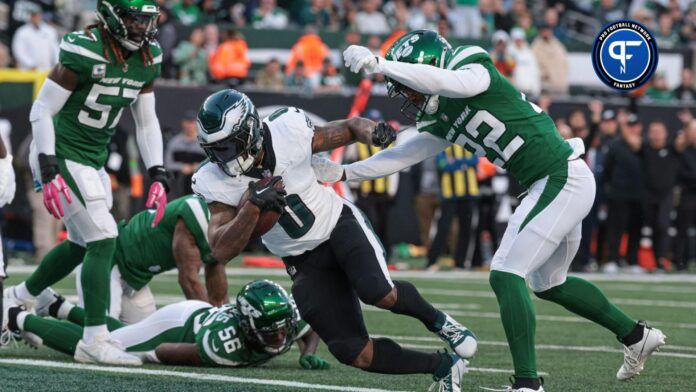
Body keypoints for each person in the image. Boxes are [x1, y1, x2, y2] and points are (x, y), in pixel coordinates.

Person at [315, 29, 665, 391]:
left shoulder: (470, 63)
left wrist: (380, 64)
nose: (406, 94)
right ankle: (636, 335)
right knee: (547, 283)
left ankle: (528, 384)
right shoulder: (440, 115)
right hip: (554, 181)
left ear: (426, 65)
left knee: (504, 273)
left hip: (560, 176)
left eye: (406, 83)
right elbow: (405, 153)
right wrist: (346, 171)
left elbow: (459, 85)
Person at [192, 89, 475, 391]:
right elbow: (220, 249)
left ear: (249, 131)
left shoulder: (288, 130)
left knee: (379, 292)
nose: (222, 158)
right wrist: (252, 207)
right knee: (353, 352)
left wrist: (372, 132)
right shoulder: (212, 180)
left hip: (336, 225)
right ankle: (444, 366)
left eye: (227, 146)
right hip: (302, 261)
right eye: (215, 150)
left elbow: (351, 127)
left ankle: (442, 323)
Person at [3, 0, 170, 366]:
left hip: (92, 157)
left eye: (147, 20)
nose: (142, 28)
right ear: (112, 16)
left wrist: (157, 170)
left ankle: (19, 296)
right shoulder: (84, 48)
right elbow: (41, 110)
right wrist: (47, 169)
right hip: (59, 152)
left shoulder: (148, 56)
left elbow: (146, 121)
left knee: (82, 243)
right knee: (103, 238)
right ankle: (94, 339)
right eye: (134, 19)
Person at [3, 280, 330, 370]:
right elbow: (165, 350)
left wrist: (307, 352)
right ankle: (16, 317)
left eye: (281, 329)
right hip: (180, 326)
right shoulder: (226, 348)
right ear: (247, 326)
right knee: (106, 345)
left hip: (199, 314)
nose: (278, 337)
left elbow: (307, 327)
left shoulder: (282, 318)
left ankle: (58, 306)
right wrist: (145, 358)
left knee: (118, 334)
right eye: (270, 331)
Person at [72, 194, 224, 324]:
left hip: (135, 279)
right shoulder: (195, 212)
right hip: (110, 262)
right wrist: (209, 323)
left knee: (146, 338)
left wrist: (225, 318)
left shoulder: (220, 218)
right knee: (100, 331)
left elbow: (217, 283)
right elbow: (189, 280)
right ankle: (56, 308)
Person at [426, 146, 479, 270]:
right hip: (449, 194)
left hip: (468, 193)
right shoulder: (445, 144)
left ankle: (460, 263)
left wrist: (455, 162)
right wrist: (464, 163)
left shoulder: (470, 144)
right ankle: (431, 261)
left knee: (466, 229)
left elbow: (475, 161)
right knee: (443, 227)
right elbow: (443, 164)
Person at [165, 111, 207, 197]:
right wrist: (181, 167)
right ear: (183, 123)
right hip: (178, 186)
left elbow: (212, 161)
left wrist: (199, 166)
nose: (189, 126)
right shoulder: (174, 143)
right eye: (187, 122)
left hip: (201, 186)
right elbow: (168, 164)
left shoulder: (204, 143)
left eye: (192, 122)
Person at [10, 3, 59, 71]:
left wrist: (56, 65)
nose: (36, 17)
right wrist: (31, 64)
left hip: (46, 70)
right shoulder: (22, 32)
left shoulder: (50, 31)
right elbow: (18, 51)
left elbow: (55, 49)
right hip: (28, 71)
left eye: (37, 15)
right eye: (33, 15)